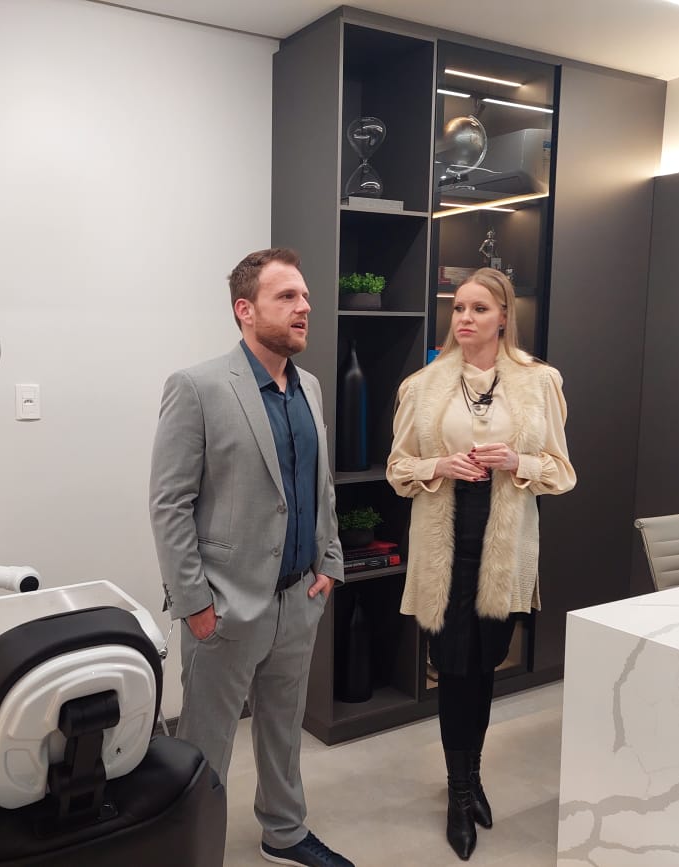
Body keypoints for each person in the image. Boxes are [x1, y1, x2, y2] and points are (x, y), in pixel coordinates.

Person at [149, 248, 353, 867]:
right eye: (286, 296)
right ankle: (192, 851)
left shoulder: (309, 387)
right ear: (245, 309)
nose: (304, 306)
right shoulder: (198, 387)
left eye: (305, 296)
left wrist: (330, 562)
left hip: (298, 597)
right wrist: (195, 604)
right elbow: (170, 504)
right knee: (206, 745)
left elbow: (319, 484)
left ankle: (284, 833)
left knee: (283, 731)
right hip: (226, 607)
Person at [385, 268, 575, 861]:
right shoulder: (423, 386)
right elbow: (397, 469)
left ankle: (473, 774)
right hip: (444, 548)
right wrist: (439, 466)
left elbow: (562, 472)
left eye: (479, 309)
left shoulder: (539, 382)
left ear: (503, 317)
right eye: (459, 308)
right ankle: (459, 793)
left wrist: (517, 460)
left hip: (504, 550)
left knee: (486, 665)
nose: (465, 318)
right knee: (452, 669)